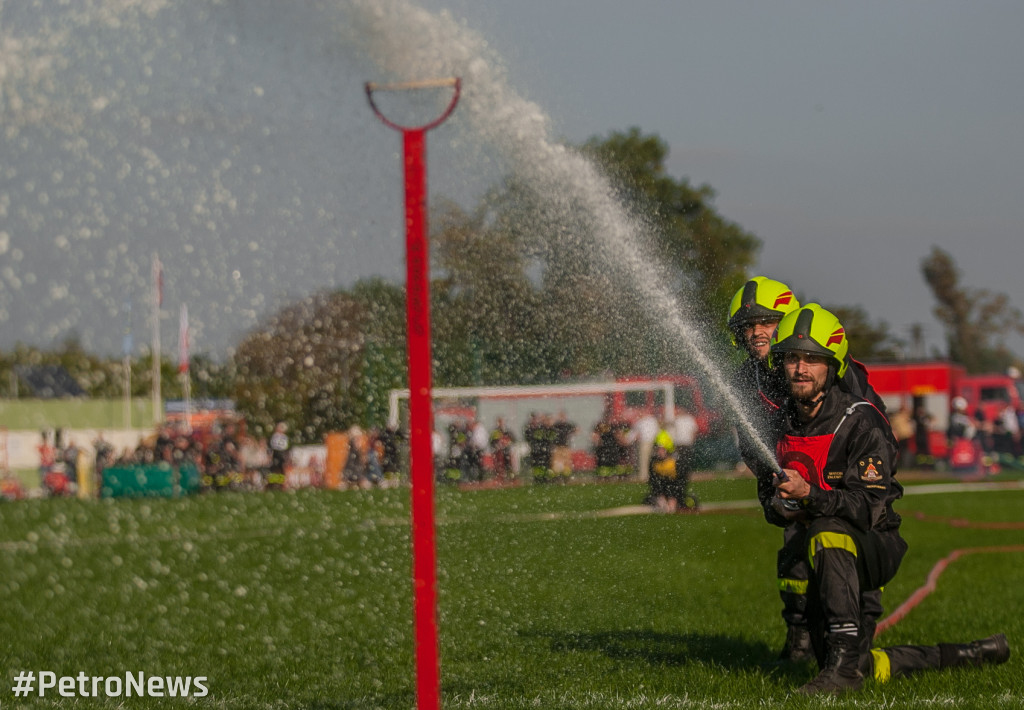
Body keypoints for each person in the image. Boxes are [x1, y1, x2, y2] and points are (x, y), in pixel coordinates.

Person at [766, 304, 1009, 694]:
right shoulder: (782, 424)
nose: (800, 368)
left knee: (829, 529)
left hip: (873, 544)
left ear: (834, 366)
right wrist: (781, 504)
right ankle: (970, 653)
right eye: (792, 358)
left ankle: (842, 671)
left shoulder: (860, 421)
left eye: (812, 359)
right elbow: (771, 504)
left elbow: (866, 509)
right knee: (859, 661)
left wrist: (810, 495)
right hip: (818, 555)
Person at [726, 276, 811, 663]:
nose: (757, 332)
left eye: (766, 322)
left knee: (840, 560)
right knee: (793, 562)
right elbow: (748, 441)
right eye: (748, 326)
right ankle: (799, 640)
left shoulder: (811, 366)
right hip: (786, 489)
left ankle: (847, 641)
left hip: (834, 486)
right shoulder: (744, 380)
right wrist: (769, 492)